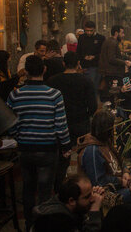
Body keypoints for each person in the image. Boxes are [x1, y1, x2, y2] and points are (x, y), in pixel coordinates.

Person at [6, 55, 71, 226]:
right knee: (44, 190)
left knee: (28, 188)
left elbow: (10, 124)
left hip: (25, 149)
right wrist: (65, 145)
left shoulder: (15, 95)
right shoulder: (54, 95)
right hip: (48, 149)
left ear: (26, 72)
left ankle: (29, 224)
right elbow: (60, 125)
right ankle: (43, 225)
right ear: (44, 70)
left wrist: (18, 137)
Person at [47, 52, 98, 192]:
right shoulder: (85, 80)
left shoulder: (53, 81)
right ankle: (86, 188)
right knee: (83, 155)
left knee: (63, 157)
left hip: (60, 123)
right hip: (81, 121)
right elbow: (93, 105)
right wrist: (86, 115)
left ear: (63, 63)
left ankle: (59, 189)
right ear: (78, 64)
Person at [75, 110, 131, 203]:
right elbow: (98, 182)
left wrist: (125, 172)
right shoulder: (92, 151)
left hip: (118, 185)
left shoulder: (105, 141)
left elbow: (119, 161)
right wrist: (120, 180)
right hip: (105, 195)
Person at [31, 173, 104, 232]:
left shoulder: (65, 203)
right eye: (87, 197)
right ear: (71, 201)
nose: (92, 199)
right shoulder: (57, 221)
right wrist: (94, 211)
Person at [99, 25, 131, 102]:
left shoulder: (110, 41)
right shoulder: (112, 42)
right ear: (116, 33)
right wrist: (125, 62)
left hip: (110, 72)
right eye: (122, 33)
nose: (123, 35)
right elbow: (111, 58)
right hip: (112, 73)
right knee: (113, 93)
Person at [76, 21, 105, 98]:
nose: (88, 33)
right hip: (84, 66)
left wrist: (94, 57)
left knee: (93, 87)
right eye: (87, 31)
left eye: (91, 31)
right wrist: (82, 58)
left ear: (94, 29)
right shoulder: (81, 38)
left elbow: (103, 53)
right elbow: (78, 51)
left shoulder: (100, 38)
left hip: (95, 66)